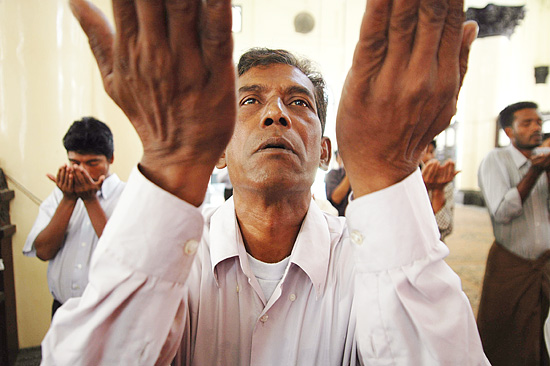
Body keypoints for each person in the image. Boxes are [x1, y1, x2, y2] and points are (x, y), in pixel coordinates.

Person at [41, 0, 487, 365]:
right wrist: (171, 165)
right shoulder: (177, 261)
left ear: (326, 151)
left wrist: (387, 170)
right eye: (250, 100)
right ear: (218, 148)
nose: (277, 114)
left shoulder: (364, 260)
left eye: (299, 102)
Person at [23, 117, 125, 317]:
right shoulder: (59, 196)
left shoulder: (128, 196)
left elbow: (120, 256)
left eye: (92, 163)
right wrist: (69, 200)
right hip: (62, 310)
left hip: (109, 314)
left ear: (111, 158)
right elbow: (43, 251)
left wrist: (90, 200)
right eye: (75, 162)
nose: (82, 170)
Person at [477, 101, 550, 365]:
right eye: (527, 123)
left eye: (539, 122)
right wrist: (535, 171)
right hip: (511, 265)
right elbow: (502, 212)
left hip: (546, 264)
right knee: (506, 336)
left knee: (543, 336)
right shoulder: (495, 160)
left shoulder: (546, 159)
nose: (536, 128)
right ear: (509, 131)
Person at [420, 140, 458, 241]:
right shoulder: (405, 181)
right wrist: (424, 189)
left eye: (431, 152)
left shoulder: (444, 183)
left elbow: (444, 229)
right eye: (423, 152)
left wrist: (438, 191)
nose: (428, 157)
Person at [325, 150, 351, 216]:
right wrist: (350, 173)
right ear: (337, 159)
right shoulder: (332, 174)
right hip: (339, 219)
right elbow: (335, 199)